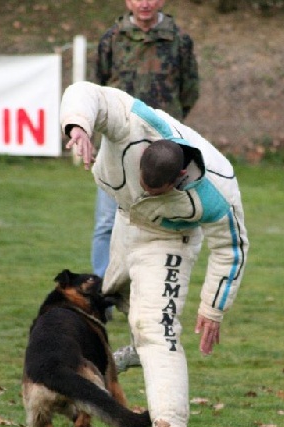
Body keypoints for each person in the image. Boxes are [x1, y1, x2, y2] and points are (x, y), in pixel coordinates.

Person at [61, 81, 248, 427]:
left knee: (157, 328)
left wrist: (213, 307)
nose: (146, 189)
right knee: (112, 297)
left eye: (155, 188)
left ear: (179, 178)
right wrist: (77, 124)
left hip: (168, 239)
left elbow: (232, 248)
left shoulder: (216, 190)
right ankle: (135, 352)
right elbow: (86, 91)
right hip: (126, 222)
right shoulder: (133, 122)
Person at [90, 0, 199, 285]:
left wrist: (169, 124)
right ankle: (106, 291)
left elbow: (190, 88)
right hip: (118, 142)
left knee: (162, 217)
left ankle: (152, 285)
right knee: (107, 221)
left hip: (164, 144)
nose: (145, 3)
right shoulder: (111, 39)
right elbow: (98, 89)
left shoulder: (179, 40)